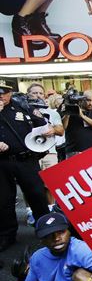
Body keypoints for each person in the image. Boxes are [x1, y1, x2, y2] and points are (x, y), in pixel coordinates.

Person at [0, 82, 51, 251]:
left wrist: (49, 130)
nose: (1, 96)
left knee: (37, 195)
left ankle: (46, 230)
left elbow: (44, 125)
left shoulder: (23, 106)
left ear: (10, 93)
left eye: (4, 92)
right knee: (4, 200)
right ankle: (7, 236)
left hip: (26, 159)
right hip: (2, 162)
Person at [61, 90, 92, 158]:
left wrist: (82, 116)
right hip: (74, 151)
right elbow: (63, 128)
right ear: (81, 99)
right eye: (88, 100)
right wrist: (67, 113)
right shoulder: (72, 109)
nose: (91, 103)